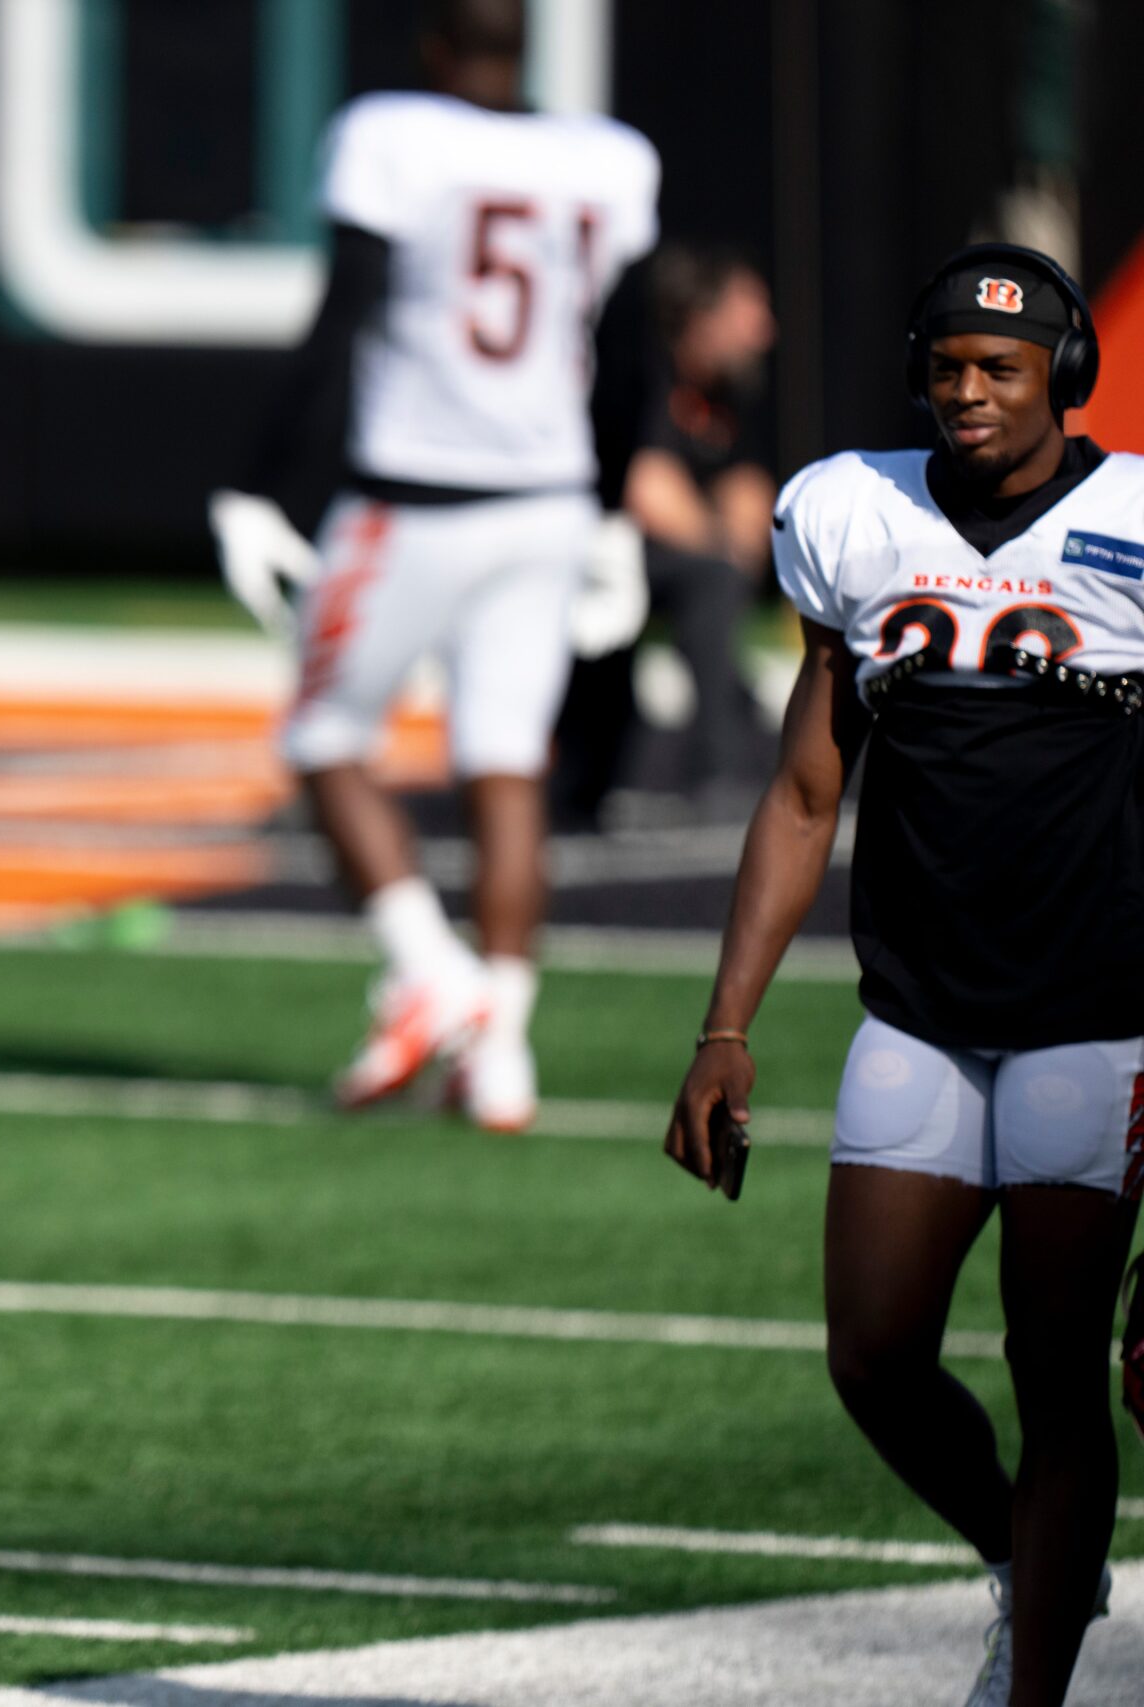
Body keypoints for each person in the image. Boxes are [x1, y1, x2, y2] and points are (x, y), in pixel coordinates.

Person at [667, 244, 1135, 1707]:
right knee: (873, 1352)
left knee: (1063, 1371)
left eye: (1000, 369)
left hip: (1097, 1014)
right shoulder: (851, 514)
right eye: (947, 368)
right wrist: (725, 1021)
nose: (970, 394)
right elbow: (808, 795)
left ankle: (1037, 1677)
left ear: (1063, 375)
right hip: (921, 1006)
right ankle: (1035, 1558)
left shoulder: (1134, 524)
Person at [209, 0, 661, 1129]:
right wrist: (609, 509)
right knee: (505, 766)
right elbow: (629, 354)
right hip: (549, 497)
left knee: (321, 739)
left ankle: (431, 973)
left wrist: (262, 483)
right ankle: (501, 1048)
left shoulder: (392, 137)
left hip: (414, 495)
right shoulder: (605, 159)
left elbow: (343, 316)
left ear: (431, 45)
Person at [554, 244, 780, 819]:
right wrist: (719, 537)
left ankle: (721, 760)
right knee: (711, 574)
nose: (765, 331)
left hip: (655, 555)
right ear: (703, 320)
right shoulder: (646, 371)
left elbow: (751, 496)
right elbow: (646, 489)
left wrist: (731, 533)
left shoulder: (729, 389)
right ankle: (613, 768)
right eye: (748, 313)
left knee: (716, 574)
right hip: (590, 548)